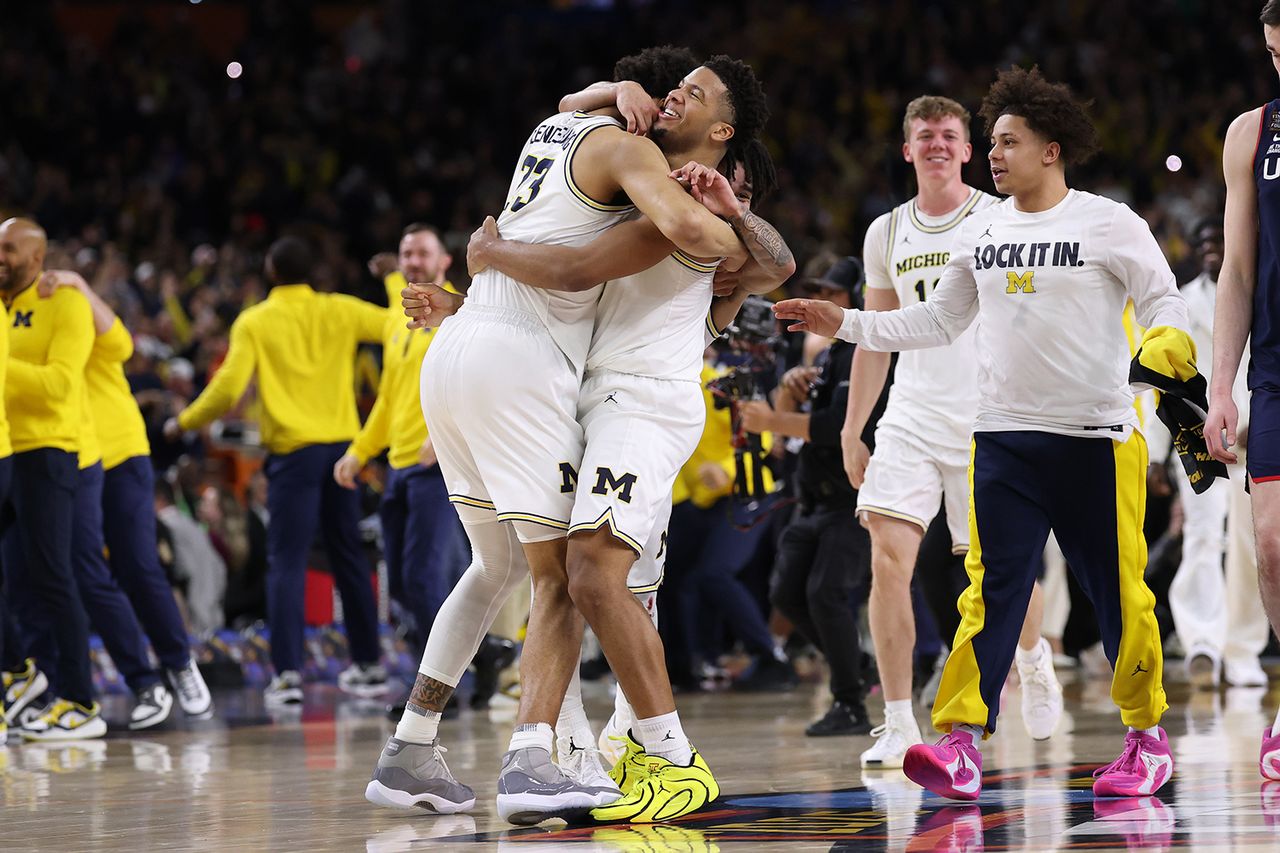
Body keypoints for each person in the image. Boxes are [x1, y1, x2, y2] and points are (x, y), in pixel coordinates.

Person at [366, 48, 770, 824]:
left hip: (463, 353)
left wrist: (484, 263)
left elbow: (573, 107)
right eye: (668, 92)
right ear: (646, 109)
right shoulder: (635, 158)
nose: (673, 101)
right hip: (520, 359)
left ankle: (415, 744)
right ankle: (533, 761)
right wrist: (718, 226)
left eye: (690, 94)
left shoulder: (561, 125)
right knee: (564, 576)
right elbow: (662, 241)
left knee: (501, 565)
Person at [774, 66, 1188, 801]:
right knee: (987, 592)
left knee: (1117, 594)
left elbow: (1165, 303)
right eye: (991, 141)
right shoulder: (985, 227)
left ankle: (1146, 736)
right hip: (1000, 437)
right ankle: (961, 740)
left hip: (1095, 437)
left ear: (1051, 150)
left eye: (1008, 141)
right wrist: (849, 324)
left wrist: (1162, 359)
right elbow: (936, 320)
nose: (994, 154)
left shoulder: (1107, 221)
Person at [841, 96, 1062, 769]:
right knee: (887, 558)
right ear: (907, 151)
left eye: (949, 135)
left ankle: (1034, 656)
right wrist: (855, 427)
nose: (936, 144)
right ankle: (899, 720)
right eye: (924, 136)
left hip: (986, 415)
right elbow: (875, 336)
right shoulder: (885, 232)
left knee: (1000, 568)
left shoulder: (998, 219)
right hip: (910, 413)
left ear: (968, 149)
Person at [166, 236, 388, 705]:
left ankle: (287, 675)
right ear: (314, 273)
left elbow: (228, 389)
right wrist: (394, 278)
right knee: (348, 555)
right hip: (343, 454)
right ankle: (369, 664)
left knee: (286, 561)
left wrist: (184, 420)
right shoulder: (341, 309)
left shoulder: (257, 320)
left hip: (294, 455)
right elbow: (397, 325)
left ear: (270, 271)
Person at [41, 270, 214, 724]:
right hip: (67, 458)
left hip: (119, 451)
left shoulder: (69, 304)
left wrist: (80, 284)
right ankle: (144, 681)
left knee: (138, 563)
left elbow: (122, 346)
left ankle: (179, 664)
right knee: (84, 572)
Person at [748, 254, 877, 735]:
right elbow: (794, 437)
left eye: (833, 292)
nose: (823, 300)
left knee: (827, 593)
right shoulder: (824, 356)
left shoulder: (862, 351)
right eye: (818, 289)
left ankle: (851, 704)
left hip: (849, 498)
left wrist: (771, 419)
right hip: (811, 497)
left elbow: (833, 427)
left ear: (857, 298)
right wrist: (787, 392)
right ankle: (854, 664)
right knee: (786, 593)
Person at [1204, 0, 1280, 782]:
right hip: (1278, 368)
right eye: (1274, 54)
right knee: (1270, 544)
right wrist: (1221, 386)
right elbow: (1236, 270)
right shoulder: (1250, 134)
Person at [0, 217, 103, 740]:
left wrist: (1, 367)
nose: (0, 255)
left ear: (37, 257)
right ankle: (25, 681)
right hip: (7, 451)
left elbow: (61, 384)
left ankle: (80, 700)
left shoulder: (63, 303)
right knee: (17, 583)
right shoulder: (6, 306)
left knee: (54, 577)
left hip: (50, 451)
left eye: (9, 248)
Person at [1154, 220, 1269, 689]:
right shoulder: (1180, 299)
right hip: (1197, 435)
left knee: (1250, 546)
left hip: (1254, 432)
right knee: (1202, 534)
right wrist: (1160, 452)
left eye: (1218, 242)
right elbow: (1164, 378)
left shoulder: (1260, 289)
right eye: (1202, 243)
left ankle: (1242, 649)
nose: (1210, 250)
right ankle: (1202, 640)